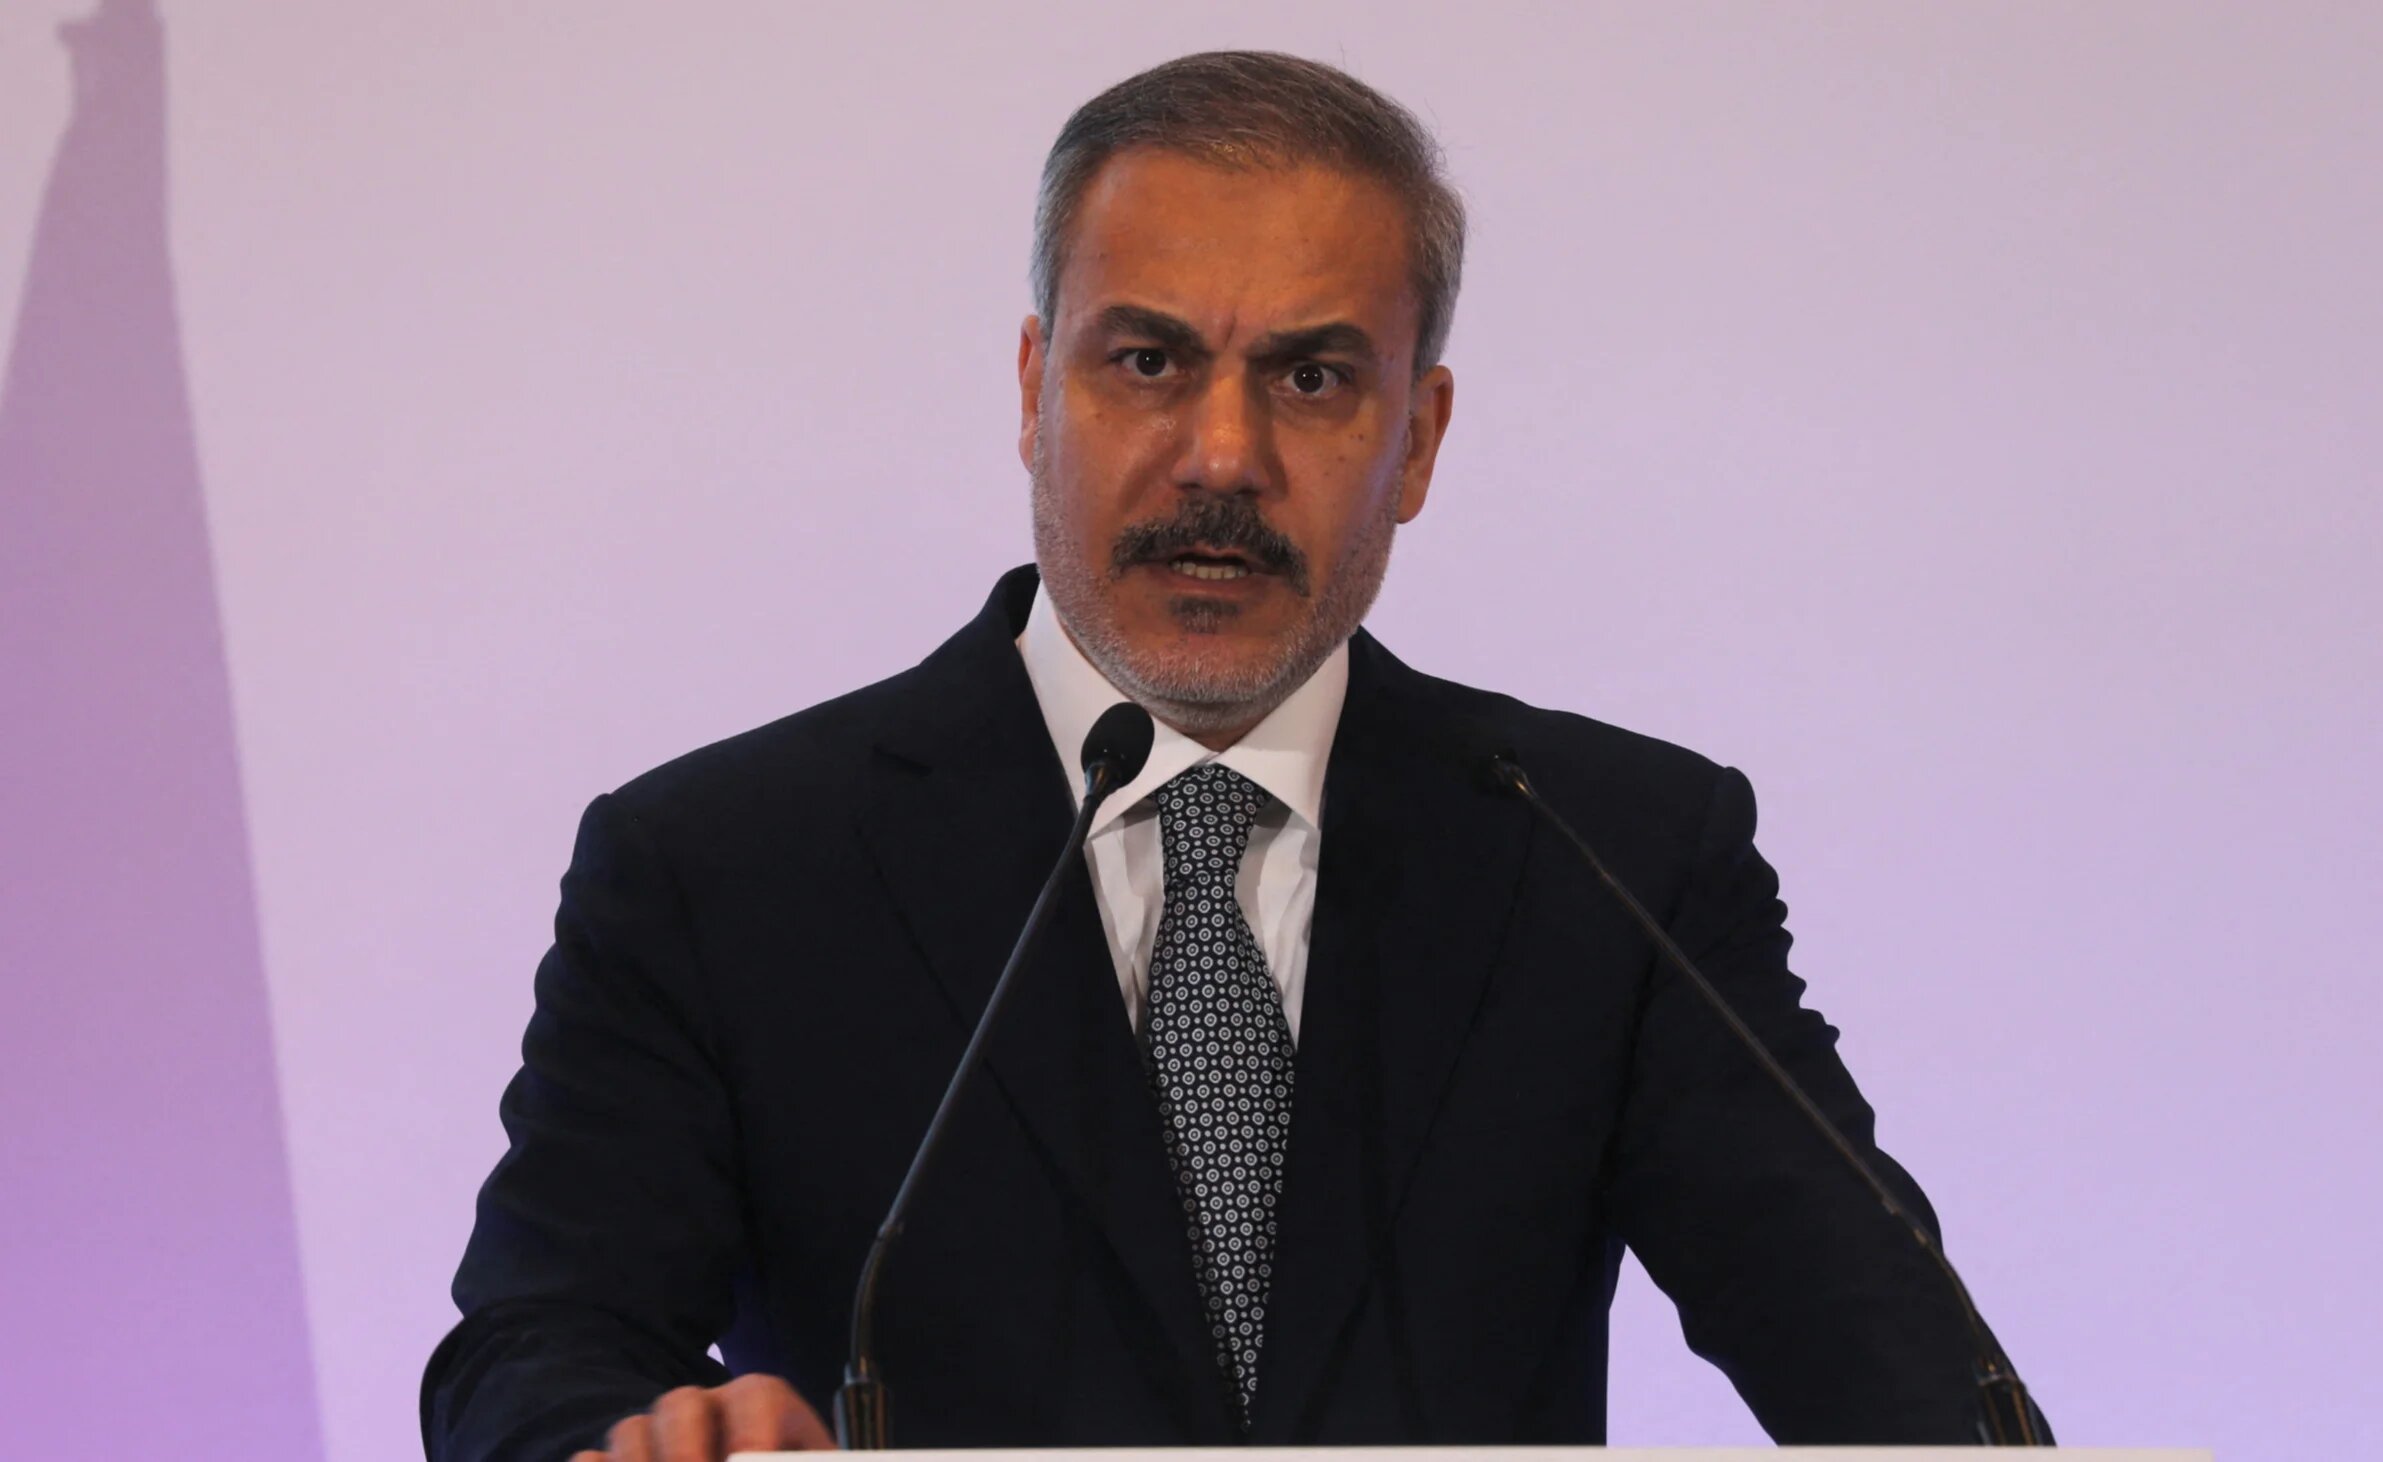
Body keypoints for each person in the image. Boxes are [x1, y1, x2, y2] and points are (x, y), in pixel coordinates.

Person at [422, 50, 2032, 1462]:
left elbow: (1887, 1366)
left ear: (1418, 439)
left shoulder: (1611, 855)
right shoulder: (725, 866)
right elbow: (532, 1345)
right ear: (1035, 390)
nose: (1221, 456)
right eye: (1148, 361)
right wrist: (632, 1441)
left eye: (1313, 377)